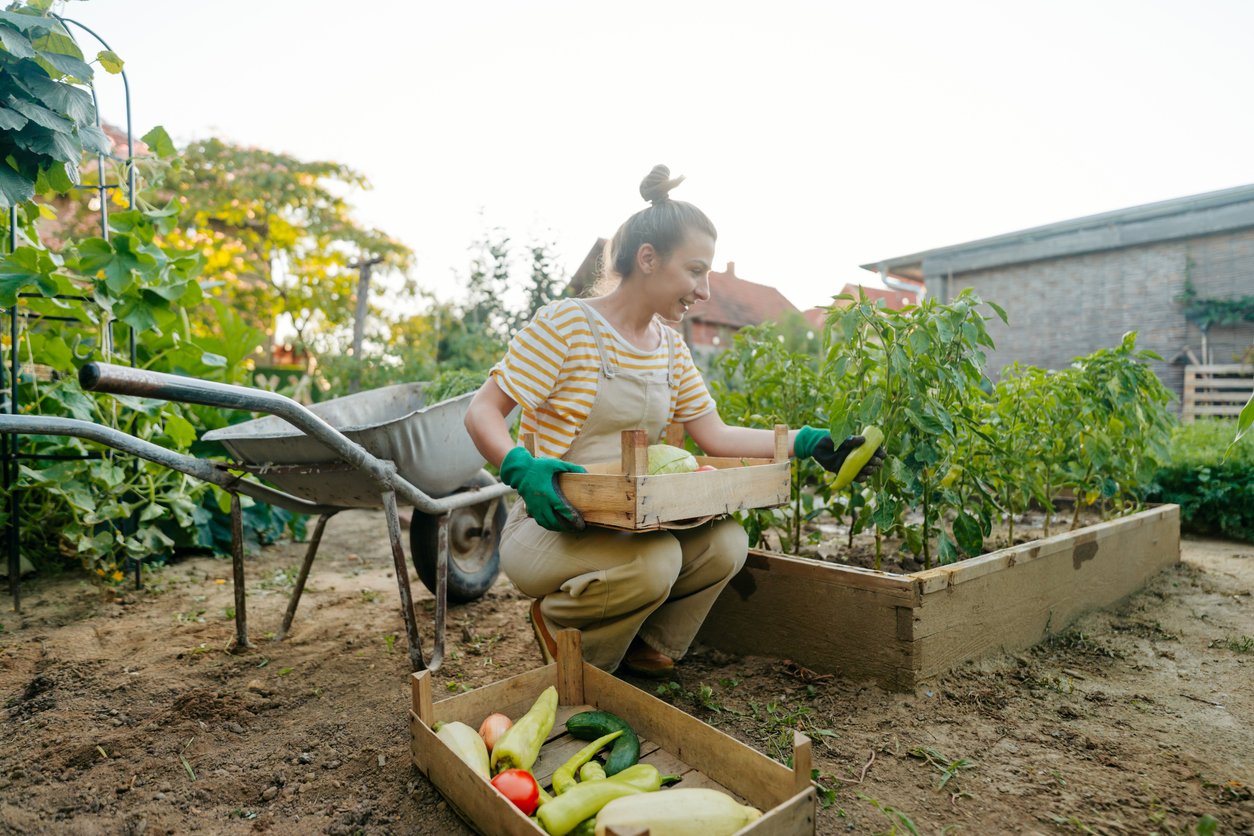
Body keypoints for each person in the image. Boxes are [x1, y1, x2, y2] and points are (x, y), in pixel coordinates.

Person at [463, 165, 885, 677]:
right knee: (657, 560)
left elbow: (715, 434)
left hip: (636, 520)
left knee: (726, 543)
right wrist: (520, 467)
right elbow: (482, 411)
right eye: (695, 270)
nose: (704, 289)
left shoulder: (669, 348)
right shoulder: (565, 325)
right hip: (556, 523)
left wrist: (807, 441)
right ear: (648, 260)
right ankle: (563, 634)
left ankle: (643, 641)